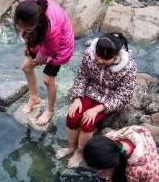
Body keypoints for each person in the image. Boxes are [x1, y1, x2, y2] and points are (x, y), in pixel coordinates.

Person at [58, 33, 137, 168]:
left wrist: (98, 108)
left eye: (106, 59)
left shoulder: (129, 68)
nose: (100, 61)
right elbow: (82, 76)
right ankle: (71, 147)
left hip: (110, 98)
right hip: (91, 91)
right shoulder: (89, 55)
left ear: (116, 55)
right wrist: (77, 98)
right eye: (98, 56)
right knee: (73, 116)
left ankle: (79, 152)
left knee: (87, 122)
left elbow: (124, 95)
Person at [13, 0, 75, 125]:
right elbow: (26, 32)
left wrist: (40, 58)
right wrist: (27, 45)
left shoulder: (52, 27)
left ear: (36, 22)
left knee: (47, 80)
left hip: (61, 46)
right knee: (26, 67)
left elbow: (50, 49)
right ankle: (34, 98)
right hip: (40, 37)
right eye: (21, 26)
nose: (24, 29)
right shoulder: (28, 9)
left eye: (27, 27)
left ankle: (50, 110)